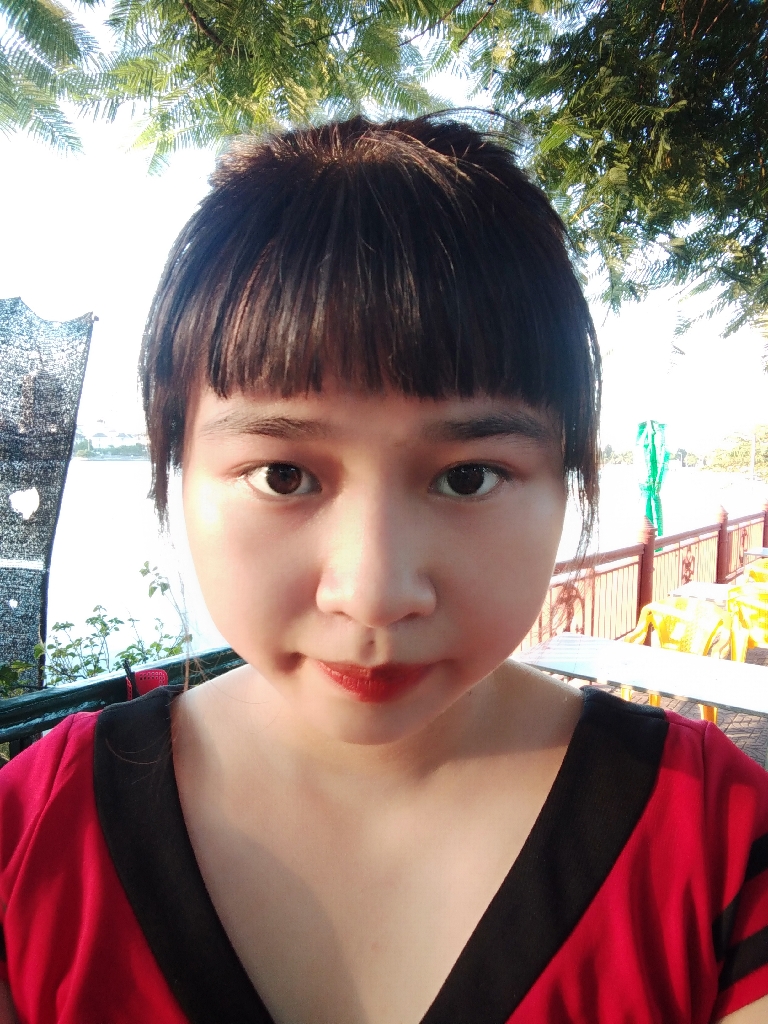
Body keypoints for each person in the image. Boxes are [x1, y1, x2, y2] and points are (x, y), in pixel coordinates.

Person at [0, 115, 766, 1024]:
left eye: (469, 476)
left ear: (569, 477)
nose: (374, 593)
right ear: (176, 468)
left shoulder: (719, 839)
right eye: (283, 476)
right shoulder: (30, 841)